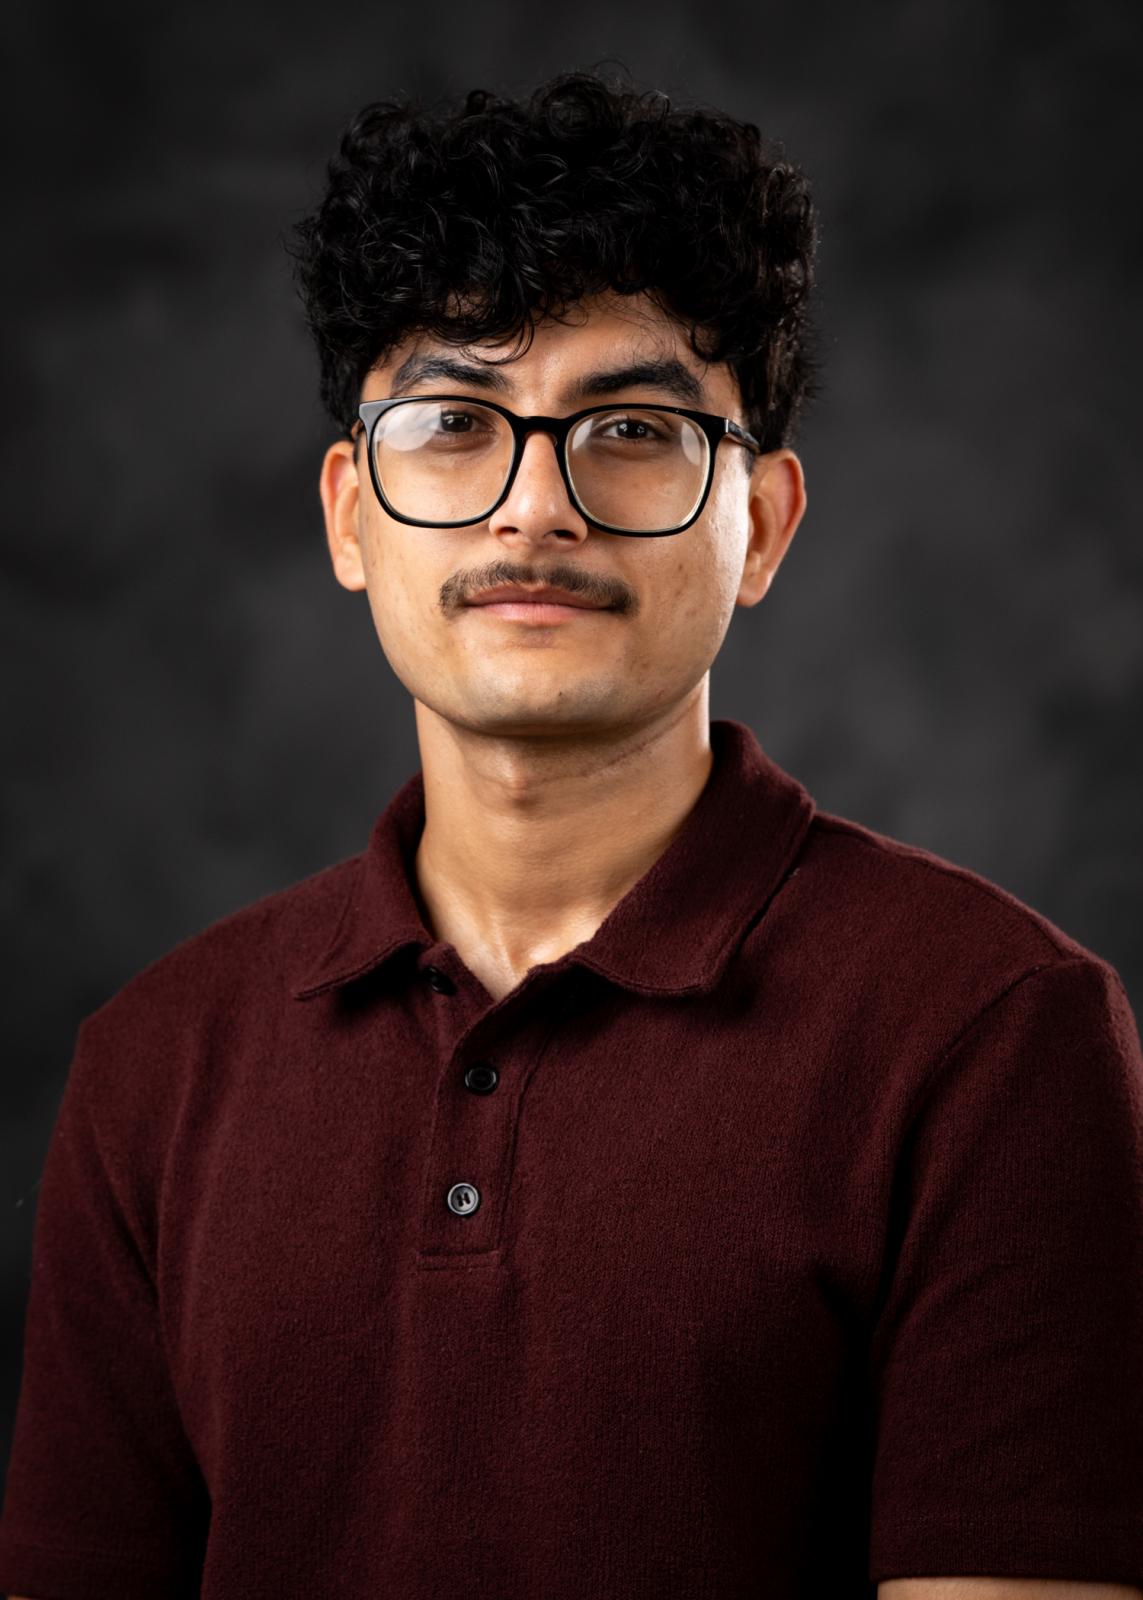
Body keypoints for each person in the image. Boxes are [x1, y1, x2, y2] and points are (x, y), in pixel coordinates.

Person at [1, 67, 1141, 1600]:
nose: (535, 508)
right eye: (454, 423)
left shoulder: (993, 1034)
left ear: (763, 525)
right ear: (350, 514)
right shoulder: (155, 1064)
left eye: (632, 428)